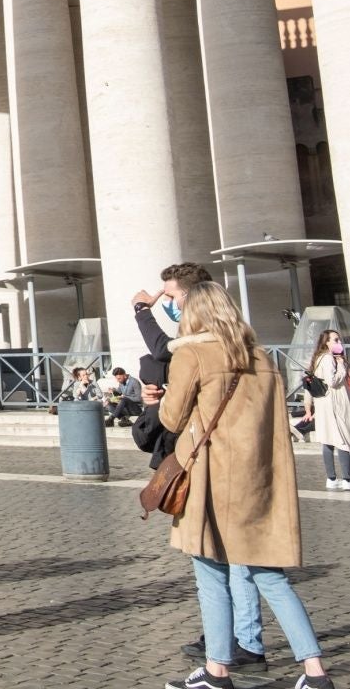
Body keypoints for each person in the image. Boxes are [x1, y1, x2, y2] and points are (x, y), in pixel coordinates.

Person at [160, 282, 333, 689]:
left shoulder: (192, 354)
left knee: (210, 575)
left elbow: (171, 418)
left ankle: (217, 672)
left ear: (194, 314)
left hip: (210, 481)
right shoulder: (261, 357)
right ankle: (315, 672)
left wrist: (161, 395)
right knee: (269, 576)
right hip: (256, 481)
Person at [137, 262, 270, 674]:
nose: (168, 306)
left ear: (192, 297)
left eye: (172, 298)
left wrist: (142, 314)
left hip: (216, 457)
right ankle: (230, 638)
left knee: (228, 560)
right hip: (223, 455)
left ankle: (237, 645)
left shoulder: (206, 341)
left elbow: (164, 355)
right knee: (229, 558)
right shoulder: (231, 339)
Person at [305, 329, 348, 490]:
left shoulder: (318, 358)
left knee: (328, 441)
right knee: (342, 440)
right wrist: (342, 367)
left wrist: (308, 407)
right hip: (334, 404)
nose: (339, 343)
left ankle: (331, 478)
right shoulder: (329, 358)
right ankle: (347, 479)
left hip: (324, 404)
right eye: (335, 340)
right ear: (326, 342)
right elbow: (332, 381)